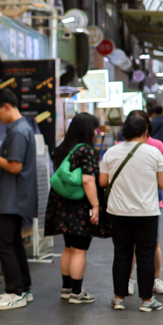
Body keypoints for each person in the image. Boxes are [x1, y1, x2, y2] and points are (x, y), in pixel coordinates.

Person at [100, 113, 163, 312]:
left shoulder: (111, 152)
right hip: (146, 212)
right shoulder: (153, 152)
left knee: (121, 254)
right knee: (145, 255)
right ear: (145, 131)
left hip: (118, 212)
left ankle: (118, 298)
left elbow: (103, 182)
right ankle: (147, 301)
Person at [0, 89, 39, 310]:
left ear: (7, 106)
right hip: (16, 197)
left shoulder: (17, 131)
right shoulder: (22, 128)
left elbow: (15, 167)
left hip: (12, 198)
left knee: (3, 243)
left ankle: (14, 292)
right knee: (14, 243)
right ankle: (23, 288)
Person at [45, 113, 104, 304]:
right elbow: (88, 180)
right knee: (80, 250)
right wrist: (96, 205)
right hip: (79, 206)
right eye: (95, 128)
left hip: (61, 205)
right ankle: (77, 293)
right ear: (88, 130)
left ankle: (66, 288)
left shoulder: (62, 149)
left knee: (69, 248)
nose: (97, 132)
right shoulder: (87, 151)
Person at [124, 110, 163, 297]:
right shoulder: (122, 146)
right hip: (126, 204)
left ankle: (155, 279)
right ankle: (128, 279)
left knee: (154, 244)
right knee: (130, 247)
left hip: (153, 203)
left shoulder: (157, 145)